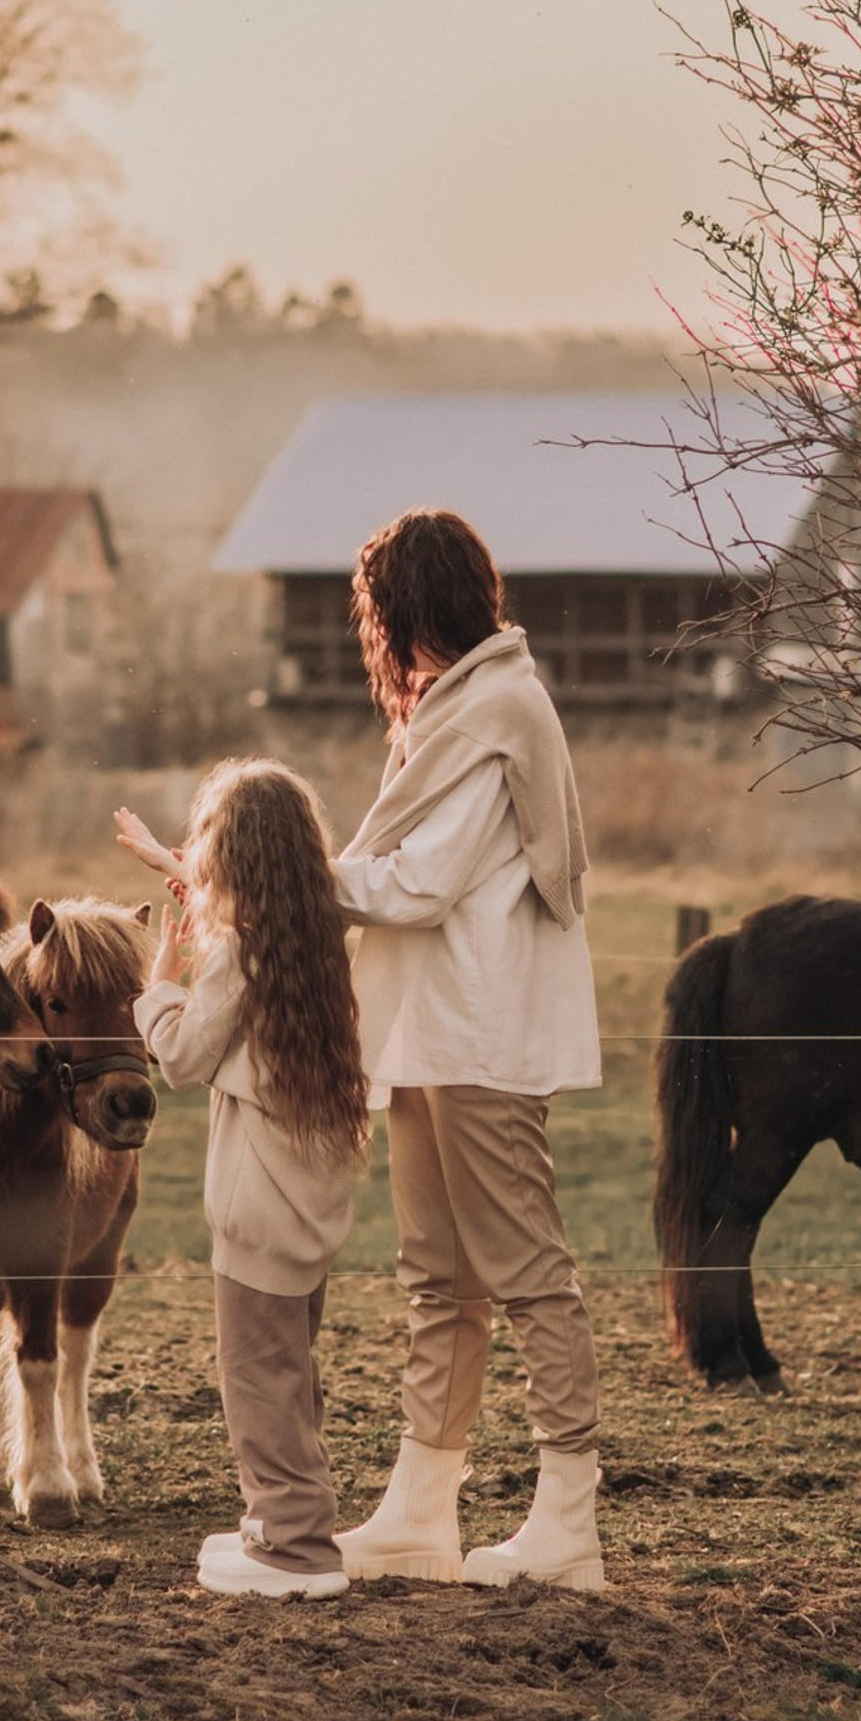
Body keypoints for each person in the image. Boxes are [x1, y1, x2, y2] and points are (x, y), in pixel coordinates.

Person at [327, 507, 605, 1591]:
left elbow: (421, 881)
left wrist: (293, 876)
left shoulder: (494, 710)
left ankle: (567, 1520)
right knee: (438, 1277)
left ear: (397, 613)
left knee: (525, 1268)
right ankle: (418, 1509)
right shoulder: (460, 707)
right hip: (431, 1024)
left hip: (480, 1029)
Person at [119, 760, 367, 1601]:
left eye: (209, 849)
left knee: (256, 1380)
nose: (202, 861)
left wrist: (157, 984)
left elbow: (185, 1057)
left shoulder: (232, 956)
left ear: (240, 864)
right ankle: (278, 1522)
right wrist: (170, 862)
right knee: (291, 1372)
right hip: (308, 1206)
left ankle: (297, 1550)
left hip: (257, 1209)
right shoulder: (318, 936)